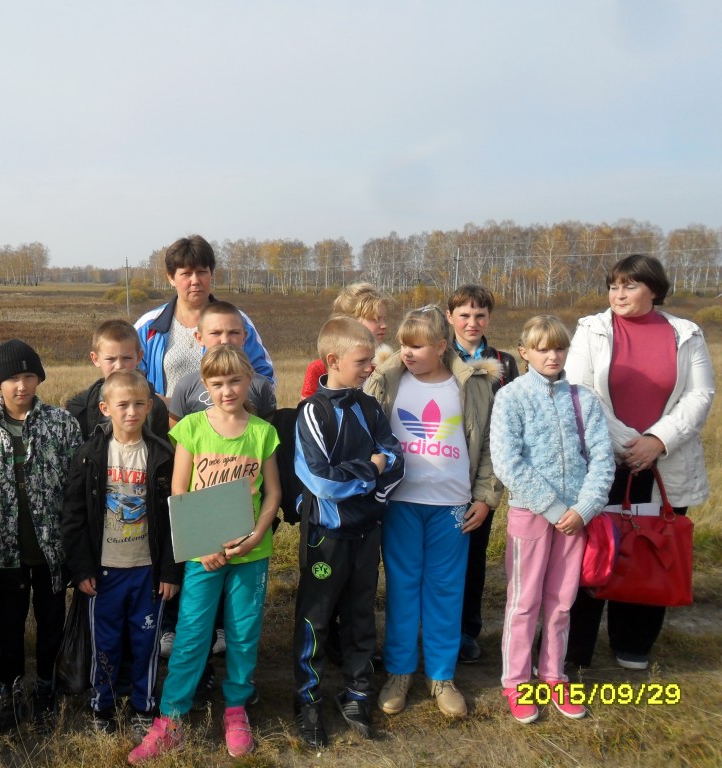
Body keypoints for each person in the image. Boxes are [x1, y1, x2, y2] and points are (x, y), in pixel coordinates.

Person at [129, 345, 281, 763]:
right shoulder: (193, 428)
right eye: (217, 383)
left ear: (249, 380)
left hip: (250, 553)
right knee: (192, 633)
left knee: (243, 632)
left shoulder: (262, 433)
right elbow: (179, 489)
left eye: (235, 381)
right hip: (204, 555)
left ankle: (236, 710)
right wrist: (203, 543)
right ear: (204, 385)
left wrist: (256, 535)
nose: (227, 390)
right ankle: (171, 719)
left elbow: (273, 493)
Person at [565, 254, 715, 671]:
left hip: (665, 464)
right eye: (613, 286)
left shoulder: (687, 334)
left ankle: (633, 642)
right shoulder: (591, 330)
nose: (618, 294)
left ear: (654, 290)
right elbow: (578, 390)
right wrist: (629, 444)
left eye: (629, 285)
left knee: (650, 547)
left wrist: (657, 441)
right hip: (601, 460)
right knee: (591, 550)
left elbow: (700, 395)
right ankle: (575, 648)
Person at [365, 306, 501, 719]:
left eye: (418, 346)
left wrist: (485, 496)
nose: (407, 352)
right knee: (402, 588)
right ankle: (399, 673)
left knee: (446, 590)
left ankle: (442, 676)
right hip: (401, 505)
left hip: (452, 507)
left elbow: (489, 443)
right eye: (403, 344)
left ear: (442, 346)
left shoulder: (472, 384)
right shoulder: (385, 381)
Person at [490, 316, 615, 723]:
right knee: (523, 602)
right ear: (524, 352)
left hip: (576, 520)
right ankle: (516, 681)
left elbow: (602, 460)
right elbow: (507, 462)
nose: (552, 356)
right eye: (542, 349)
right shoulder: (510, 397)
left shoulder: (584, 400)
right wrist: (554, 508)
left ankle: (554, 675)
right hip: (531, 514)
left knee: (561, 603)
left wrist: (584, 508)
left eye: (559, 348)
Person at [291, 317, 404, 747]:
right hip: (327, 536)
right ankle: (307, 700)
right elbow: (322, 482)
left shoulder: (370, 407)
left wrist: (368, 484)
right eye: (362, 361)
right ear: (333, 360)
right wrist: (369, 471)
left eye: (372, 360)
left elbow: (396, 461)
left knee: (361, 616)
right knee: (316, 619)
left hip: (367, 532)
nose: (370, 368)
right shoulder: (312, 412)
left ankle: (357, 692)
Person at [0, 340, 82, 733]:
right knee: (9, 624)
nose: (21, 385)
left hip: (51, 550)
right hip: (4, 553)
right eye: (13, 377)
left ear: (39, 379)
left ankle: (46, 685)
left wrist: (73, 545)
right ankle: (9, 689)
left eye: (29, 376)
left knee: (51, 620)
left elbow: (76, 488)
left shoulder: (62, 425)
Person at [61, 369, 181, 736]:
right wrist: (82, 569)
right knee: (106, 644)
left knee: (146, 644)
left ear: (150, 406)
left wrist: (169, 571)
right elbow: (73, 515)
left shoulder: (162, 454)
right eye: (123, 405)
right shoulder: (90, 455)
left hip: (147, 572)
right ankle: (103, 708)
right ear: (105, 408)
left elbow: (175, 517)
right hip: (104, 573)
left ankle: (144, 707)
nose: (131, 411)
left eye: (139, 404)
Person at [444, 285, 519, 664]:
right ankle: (434, 629)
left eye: (480, 315)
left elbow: (507, 430)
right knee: (437, 564)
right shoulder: (437, 357)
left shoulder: (503, 363)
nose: (472, 322)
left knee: (473, 561)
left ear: (489, 318)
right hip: (439, 477)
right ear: (449, 317)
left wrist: (487, 495)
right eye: (464, 315)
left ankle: (465, 631)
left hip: (480, 481)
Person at [135, 235, 273, 404]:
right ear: (171, 278)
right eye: (186, 274)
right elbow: (129, 381)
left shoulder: (238, 322)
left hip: (227, 420)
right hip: (166, 420)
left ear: (211, 274)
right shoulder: (148, 326)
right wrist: (165, 406)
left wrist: (227, 407)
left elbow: (266, 381)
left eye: (201, 272)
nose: (195, 281)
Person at [169, 302, 277, 426]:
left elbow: (268, 431)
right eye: (215, 333)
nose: (225, 340)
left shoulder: (260, 385)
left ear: (244, 337)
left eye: (233, 332)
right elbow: (176, 434)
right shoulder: (186, 386)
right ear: (199, 338)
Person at [66, 319, 169, 439]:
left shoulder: (155, 407)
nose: (119, 366)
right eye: (110, 359)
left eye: (126, 358)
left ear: (139, 357)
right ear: (96, 359)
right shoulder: (80, 408)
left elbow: (160, 448)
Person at [300, 282, 391, 399]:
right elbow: (307, 408)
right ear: (350, 321)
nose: (384, 325)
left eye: (384, 319)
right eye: (375, 319)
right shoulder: (319, 369)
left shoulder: (386, 366)